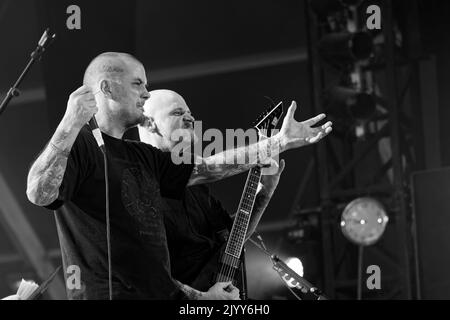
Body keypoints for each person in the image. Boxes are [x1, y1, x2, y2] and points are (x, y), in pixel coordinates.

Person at [26, 52, 332, 300]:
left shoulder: (143, 157)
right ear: (107, 88)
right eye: (137, 84)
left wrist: (278, 143)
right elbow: (39, 193)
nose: (145, 93)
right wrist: (69, 124)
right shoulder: (81, 144)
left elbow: (207, 168)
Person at [138, 90, 285, 299]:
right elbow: (145, 272)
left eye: (189, 112)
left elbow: (232, 238)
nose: (189, 117)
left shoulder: (198, 186)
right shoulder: (139, 184)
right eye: (177, 112)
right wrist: (202, 298)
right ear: (149, 123)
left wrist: (264, 194)